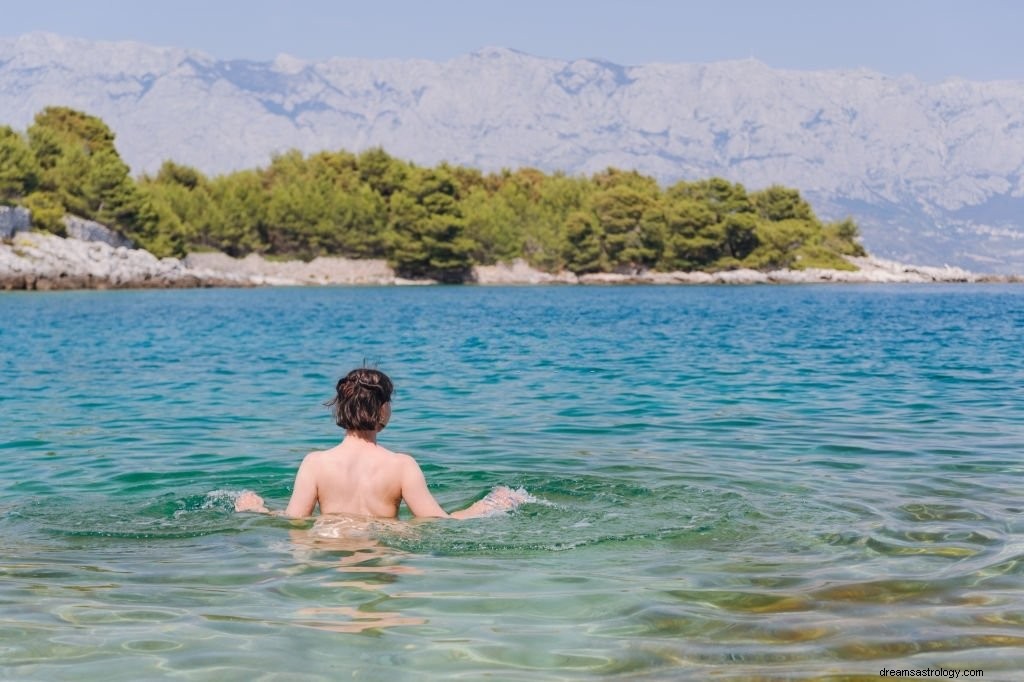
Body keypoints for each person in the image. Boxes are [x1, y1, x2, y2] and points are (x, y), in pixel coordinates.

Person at [235, 367, 525, 519]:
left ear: (342, 406)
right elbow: (436, 521)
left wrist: (256, 510)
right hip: (384, 551)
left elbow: (295, 521)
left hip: (329, 551)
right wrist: (487, 507)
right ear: (383, 408)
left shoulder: (315, 463)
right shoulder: (401, 465)